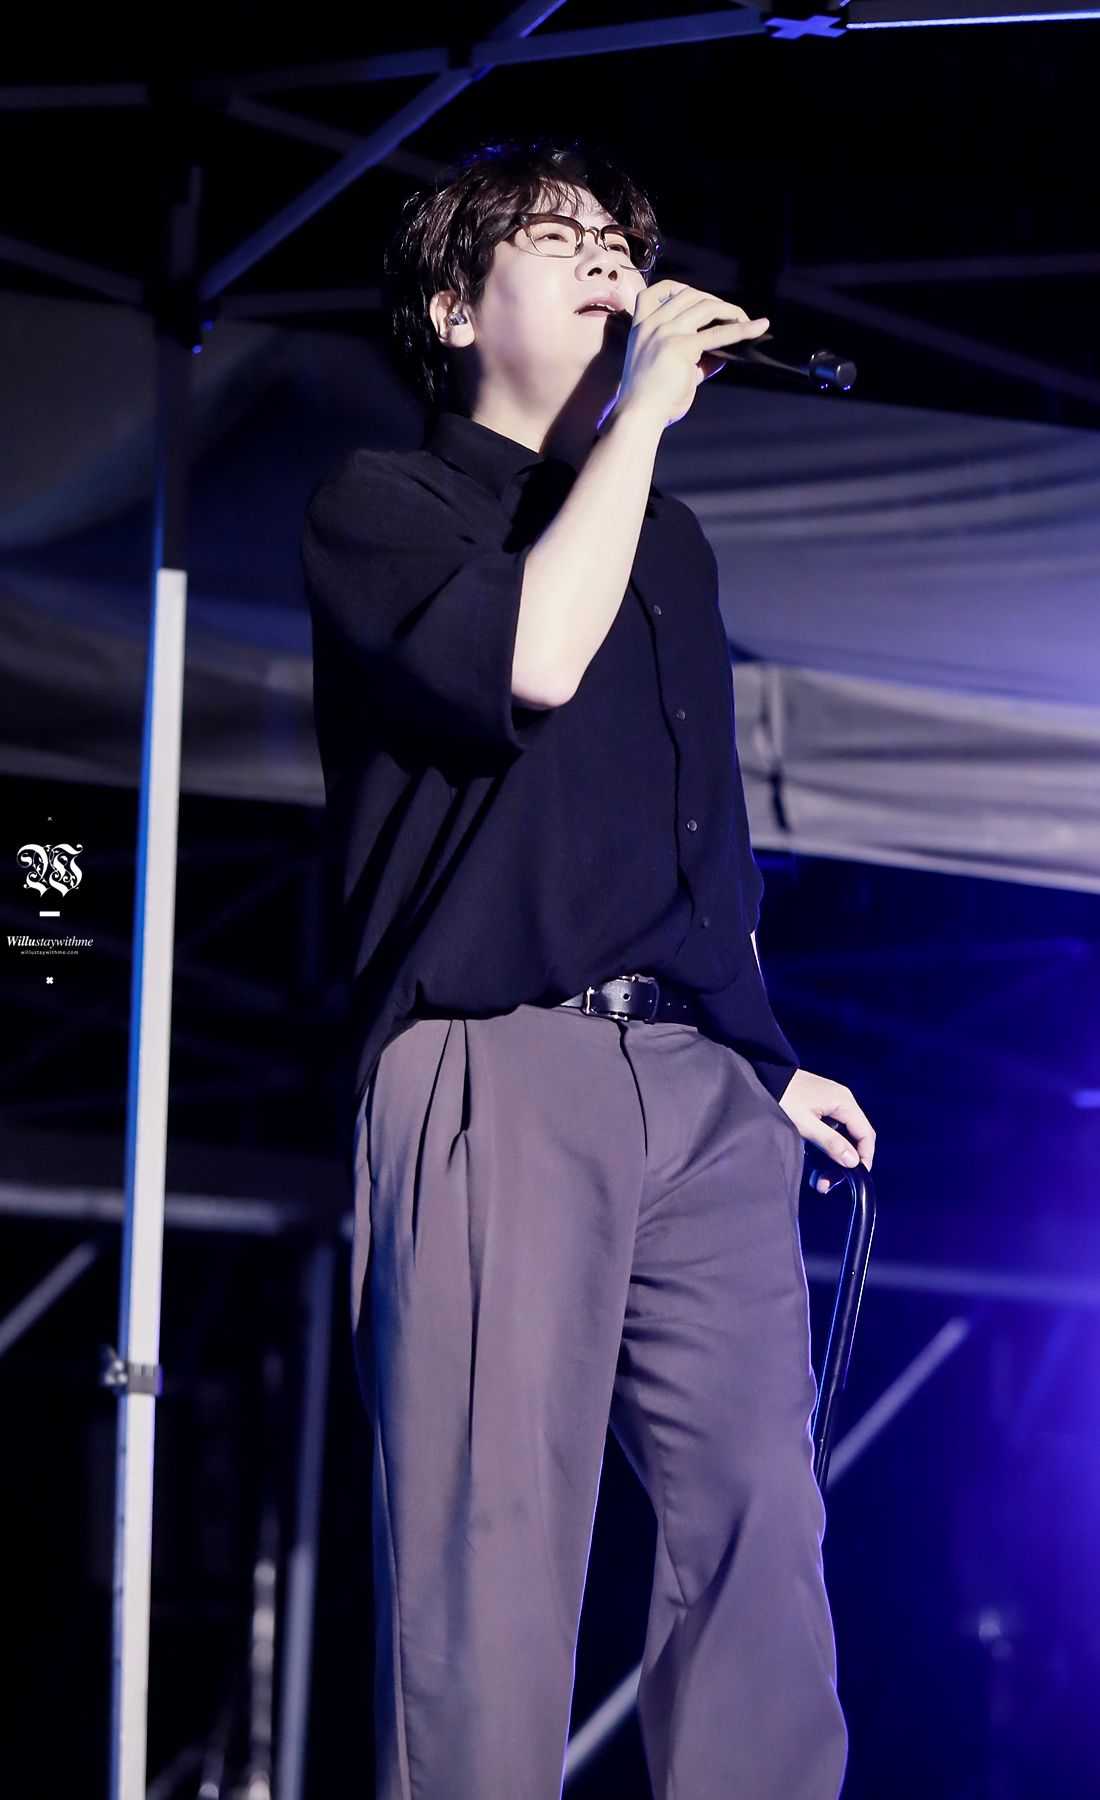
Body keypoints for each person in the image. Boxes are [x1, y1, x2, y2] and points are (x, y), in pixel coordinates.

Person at [302, 140, 875, 1800]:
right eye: (560, 242)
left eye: (622, 243)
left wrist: (762, 1057)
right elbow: (535, 657)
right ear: (450, 306)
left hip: (692, 1080)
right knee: (488, 1561)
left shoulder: (666, 541)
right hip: (495, 1067)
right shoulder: (384, 508)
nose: (614, 265)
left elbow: (696, 836)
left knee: (761, 1523)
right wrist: (638, 423)